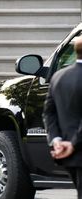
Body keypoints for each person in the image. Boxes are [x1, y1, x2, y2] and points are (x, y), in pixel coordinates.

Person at [43, 35, 82, 199]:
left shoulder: (58, 77)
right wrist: (73, 143)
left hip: (68, 154)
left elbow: (48, 113)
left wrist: (57, 140)